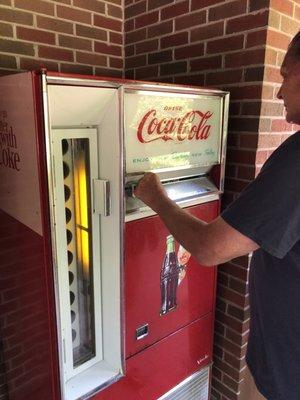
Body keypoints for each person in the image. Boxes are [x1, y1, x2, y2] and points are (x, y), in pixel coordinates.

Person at [134, 31, 300, 400]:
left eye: (286, 75)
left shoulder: (297, 160)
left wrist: (156, 196)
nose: (279, 91)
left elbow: (209, 248)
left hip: (286, 378)